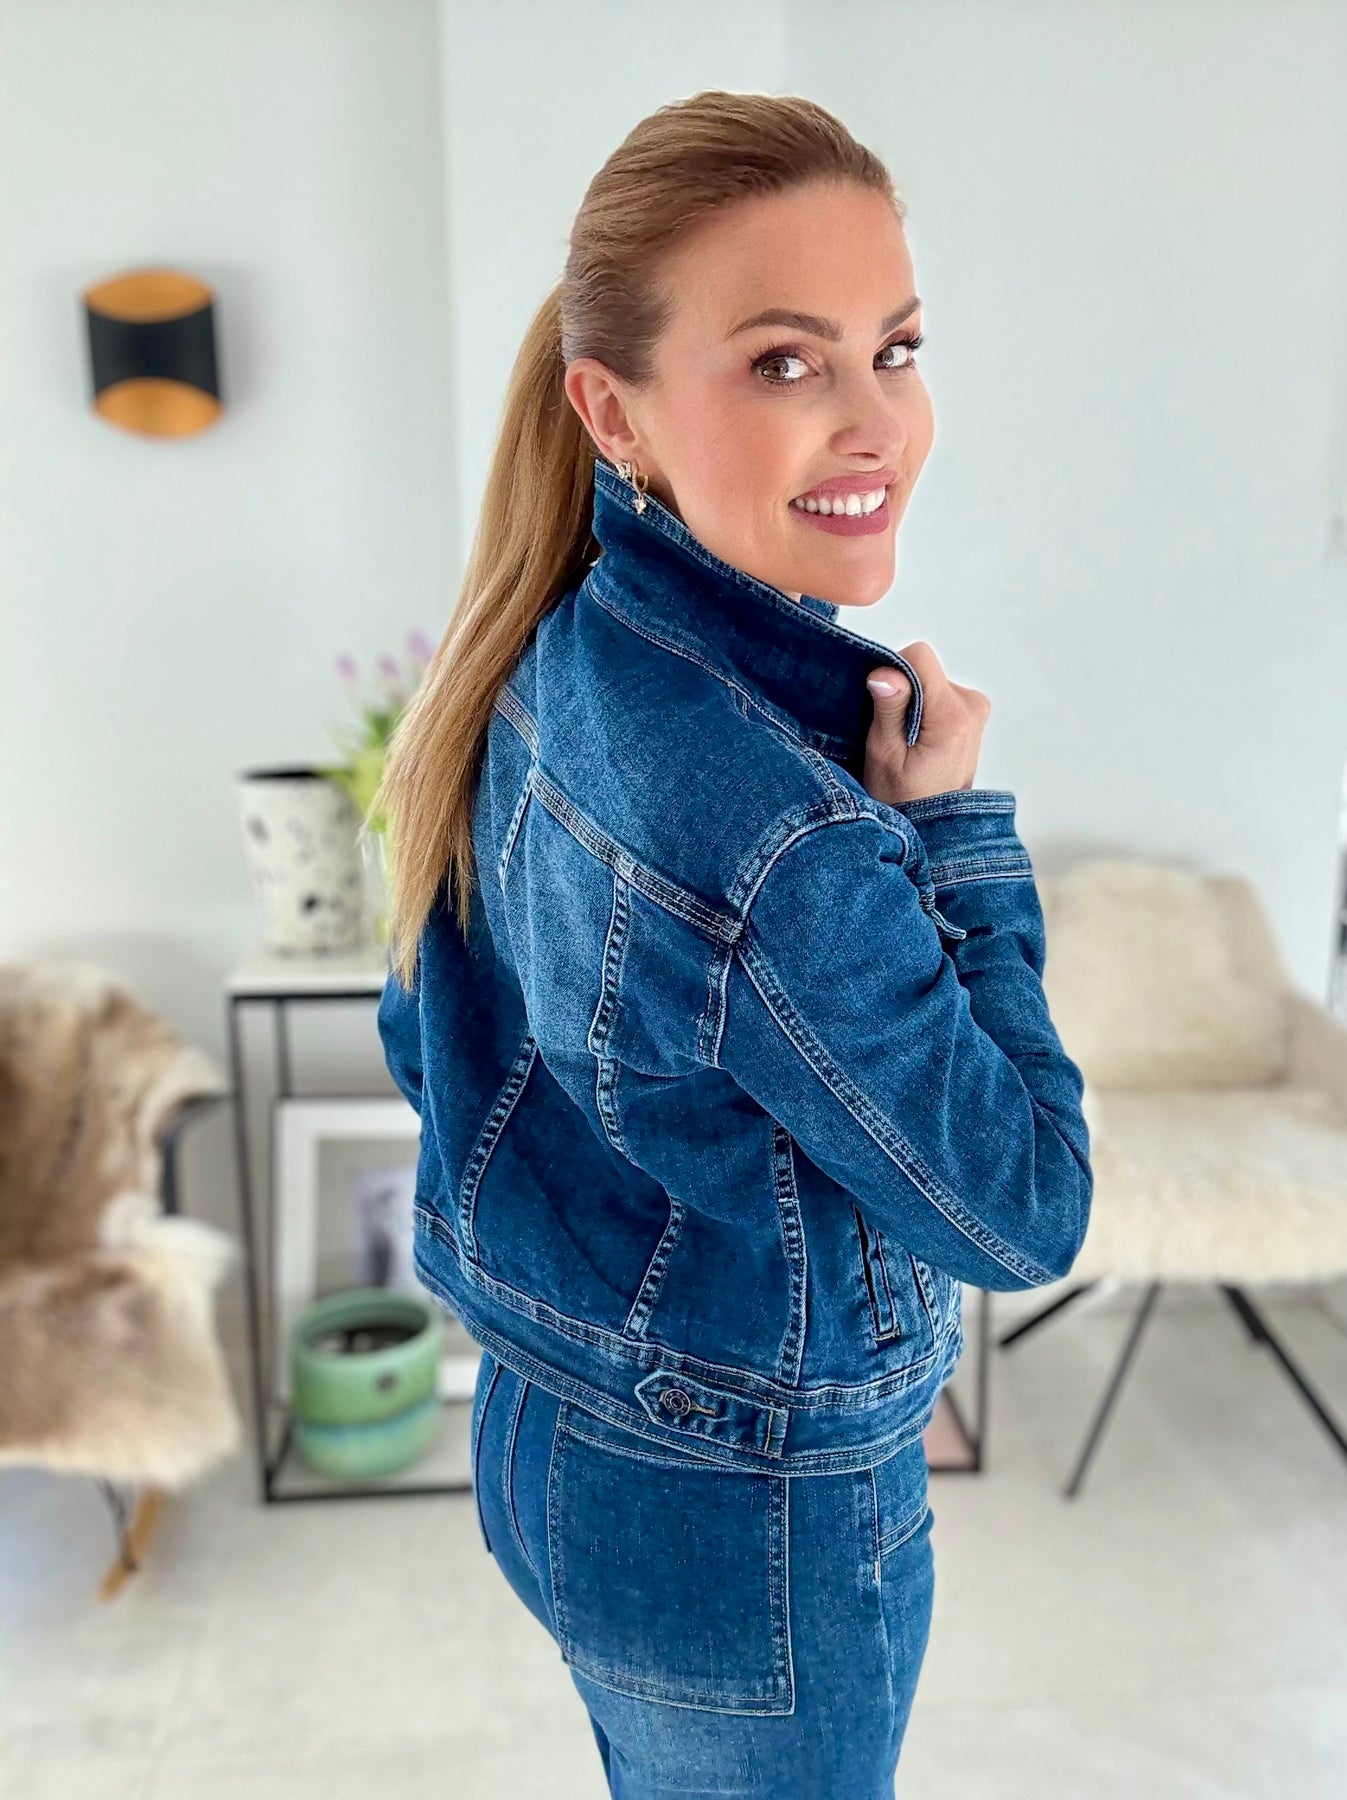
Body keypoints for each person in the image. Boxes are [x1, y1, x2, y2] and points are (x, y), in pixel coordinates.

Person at [374, 89, 1092, 1800]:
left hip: (554, 1435)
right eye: (784, 362)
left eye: (894, 349)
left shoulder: (538, 650)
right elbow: (1024, 1207)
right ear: (612, 411)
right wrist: (951, 840)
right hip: (743, 1521)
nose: (876, 425)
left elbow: (431, 1037)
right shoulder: (785, 834)